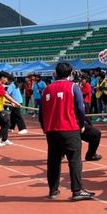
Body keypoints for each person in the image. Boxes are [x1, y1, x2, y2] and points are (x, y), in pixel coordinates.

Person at [38, 62, 94, 201]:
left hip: (51, 130)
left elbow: (41, 112)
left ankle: (53, 190)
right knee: (74, 160)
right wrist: (81, 124)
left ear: (55, 73)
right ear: (71, 73)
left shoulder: (47, 89)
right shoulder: (73, 87)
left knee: (53, 160)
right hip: (69, 128)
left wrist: (45, 127)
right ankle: (77, 190)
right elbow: (81, 109)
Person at [0, 71, 22, 147]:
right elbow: (6, 95)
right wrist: (16, 103)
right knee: (7, 124)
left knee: (4, 124)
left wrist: (10, 103)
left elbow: (1, 97)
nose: (7, 81)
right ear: (2, 78)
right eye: (6, 79)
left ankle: (5, 139)